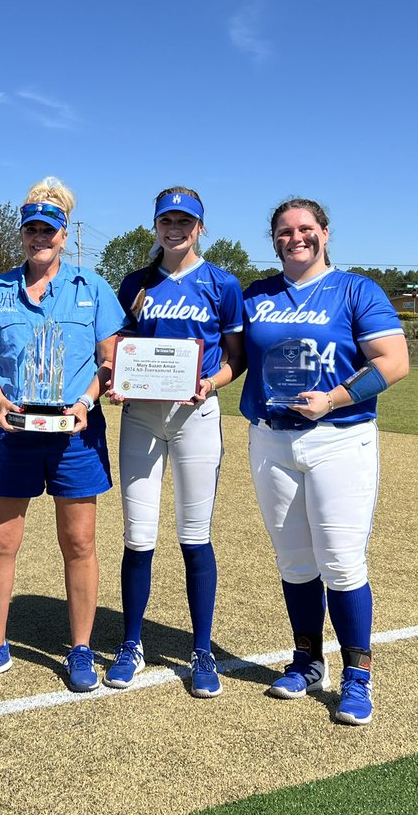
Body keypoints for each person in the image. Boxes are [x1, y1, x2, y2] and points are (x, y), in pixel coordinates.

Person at [239, 198, 409, 725]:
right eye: (285, 231)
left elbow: (394, 362)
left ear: (326, 233)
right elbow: (227, 357)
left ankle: (358, 676)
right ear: (274, 239)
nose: (297, 238)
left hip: (339, 437)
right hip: (271, 438)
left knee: (341, 561)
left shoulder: (356, 289)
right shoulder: (257, 294)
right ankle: (308, 661)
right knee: (295, 562)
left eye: (306, 228)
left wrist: (332, 399)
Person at [0, 176, 128, 692]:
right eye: (32, 230)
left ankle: (80, 648)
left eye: (49, 231)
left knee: (79, 542)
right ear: (22, 235)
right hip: (12, 432)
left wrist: (85, 402)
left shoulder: (93, 288)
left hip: (75, 434)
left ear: (63, 234)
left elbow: (109, 360)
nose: (41, 238)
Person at [104, 187, 245, 698]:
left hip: (196, 414)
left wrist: (213, 382)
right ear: (156, 225)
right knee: (138, 535)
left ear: (200, 226)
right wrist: (114, 376)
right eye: (167, 220)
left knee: (194, 534)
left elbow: (236, 357)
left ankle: (201, 649)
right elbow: (116, 345)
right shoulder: (136, 282)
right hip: (141, 416)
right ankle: (132, 643)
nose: (175, 228)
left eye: (185, 220)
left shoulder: (221, 283)